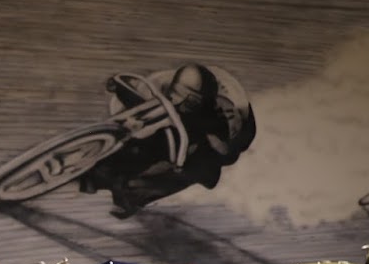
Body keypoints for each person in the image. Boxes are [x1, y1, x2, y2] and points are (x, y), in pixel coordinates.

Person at [85, 63, 257, 218]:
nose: (179, 101)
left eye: (187, 102)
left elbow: (228, 152)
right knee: (155, 137)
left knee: (197, 169)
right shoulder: (162, 82)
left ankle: (136, 194)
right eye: (175, 95)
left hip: (225, 135)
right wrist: (120, 90)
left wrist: (214, 144)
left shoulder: (229, 111)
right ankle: (109, 169)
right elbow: (138, 101)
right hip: (190, 110)